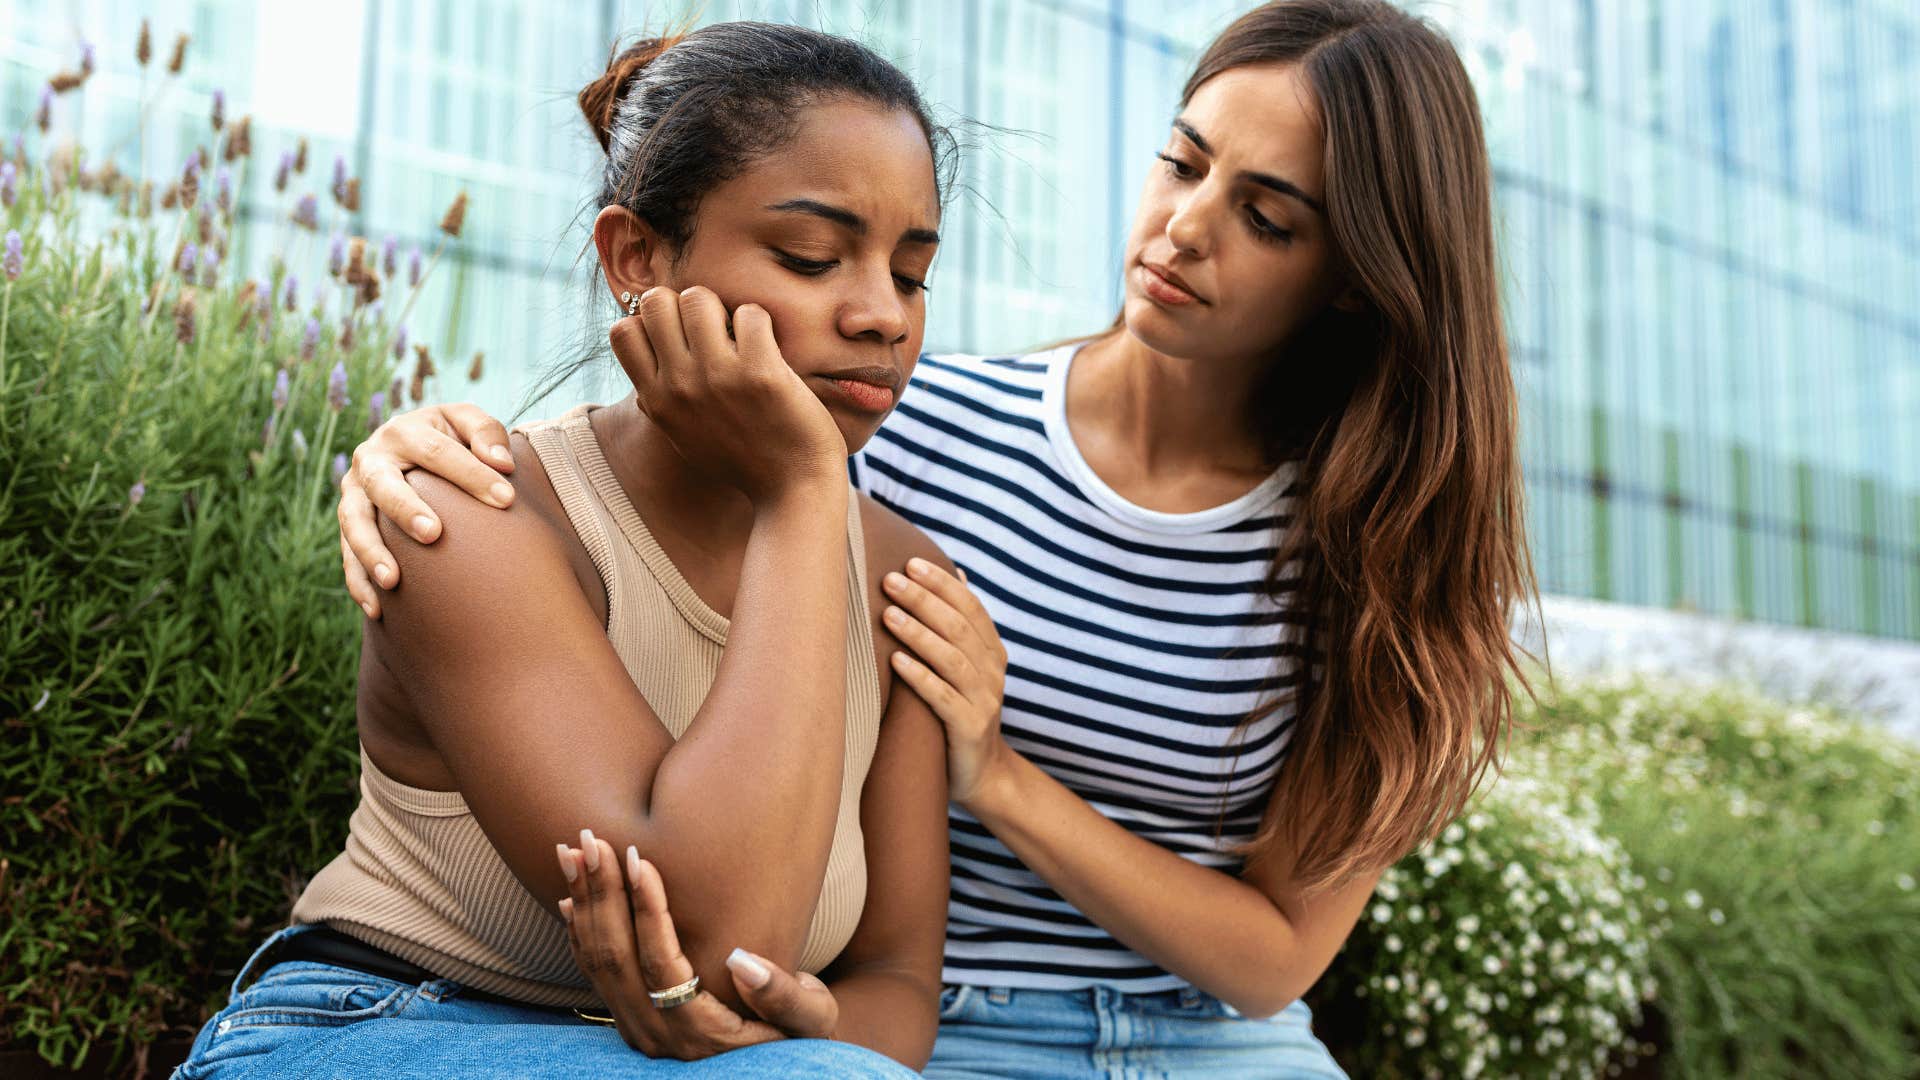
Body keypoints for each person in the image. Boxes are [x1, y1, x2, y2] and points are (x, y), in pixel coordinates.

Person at [334, 2, 1536, 1076]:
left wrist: (997, 776)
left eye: (1267, 217)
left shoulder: (1386, 559)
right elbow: (676, 465)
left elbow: (1276, 955)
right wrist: (406, 447)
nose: (1182, 229)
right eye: (1181, 164)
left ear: (1355, 274)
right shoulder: (895, 424)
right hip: (948, 1033)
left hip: (1210, 1042)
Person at [177, 22, 967, 1079]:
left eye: (912, 275)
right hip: (383, 1023)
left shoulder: (903, 582)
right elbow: (712, 932)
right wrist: (802, 489)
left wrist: (772, 1038)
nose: (881, 316)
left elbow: (901, 989)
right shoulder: (472, 513)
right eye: (812, 257)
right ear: (635, 257)